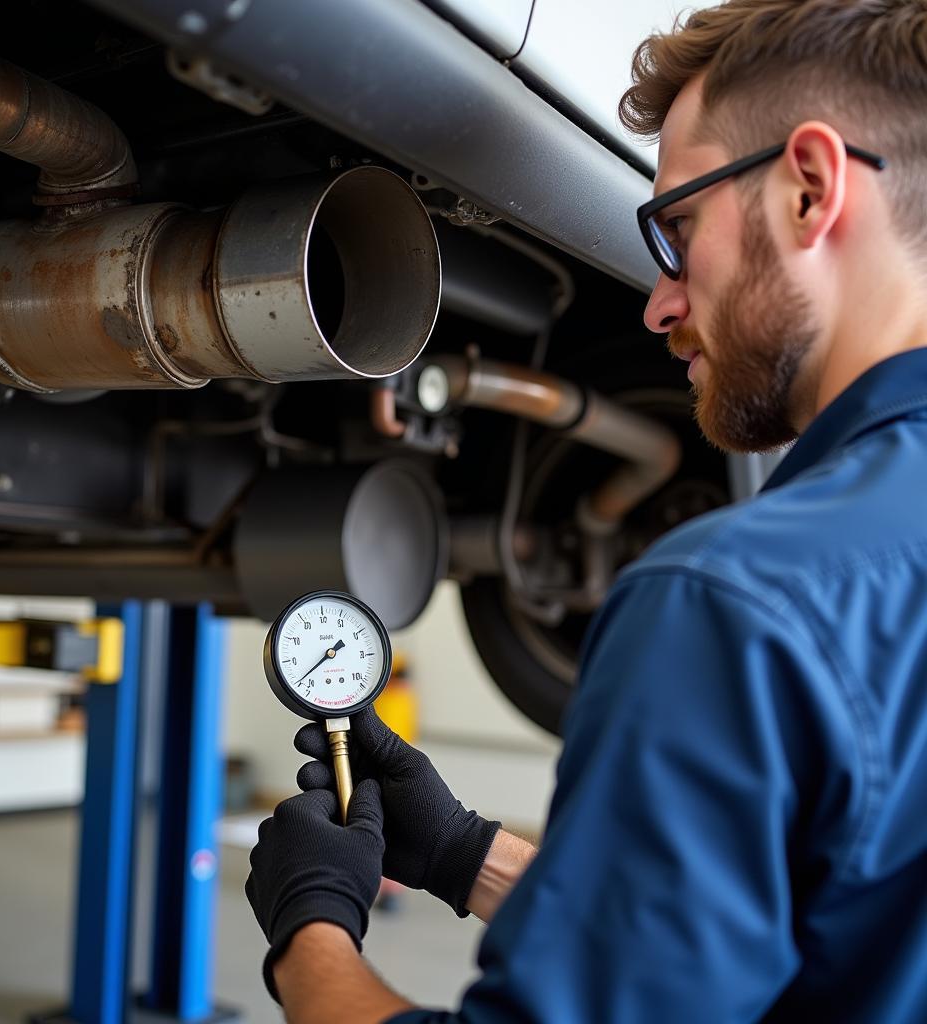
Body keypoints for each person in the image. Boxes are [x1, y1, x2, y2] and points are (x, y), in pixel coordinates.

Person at [245, 1, 927, 1020]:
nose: (655, 302)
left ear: (809, 189)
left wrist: (310, 930)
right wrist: (465, 852)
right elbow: (812, 932)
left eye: (676, 227)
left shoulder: (734, 606)